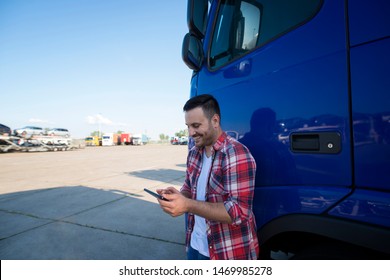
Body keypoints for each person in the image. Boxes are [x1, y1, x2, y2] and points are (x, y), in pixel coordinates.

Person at [157, 94, 259, 260]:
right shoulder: (194, 153)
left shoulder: (235, 153)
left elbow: (239, 212)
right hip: (195, 245)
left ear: (215, 121)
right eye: (188, 126)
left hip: (225, 252)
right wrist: (177, 196)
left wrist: (187, 205)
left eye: (196, 125)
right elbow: (189, 189)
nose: (191, 133)